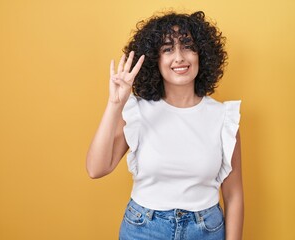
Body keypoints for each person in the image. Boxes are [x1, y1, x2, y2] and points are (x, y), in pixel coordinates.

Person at [86, 10, 244, 240]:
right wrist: (114, 104)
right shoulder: (137, 111)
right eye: (168, 49)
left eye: (188, 46)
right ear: (154, 59)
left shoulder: (223, 117)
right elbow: (96, 169)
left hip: (206, 231)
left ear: (202, 54)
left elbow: (234, 196)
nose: (179, 57)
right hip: (143, 229)